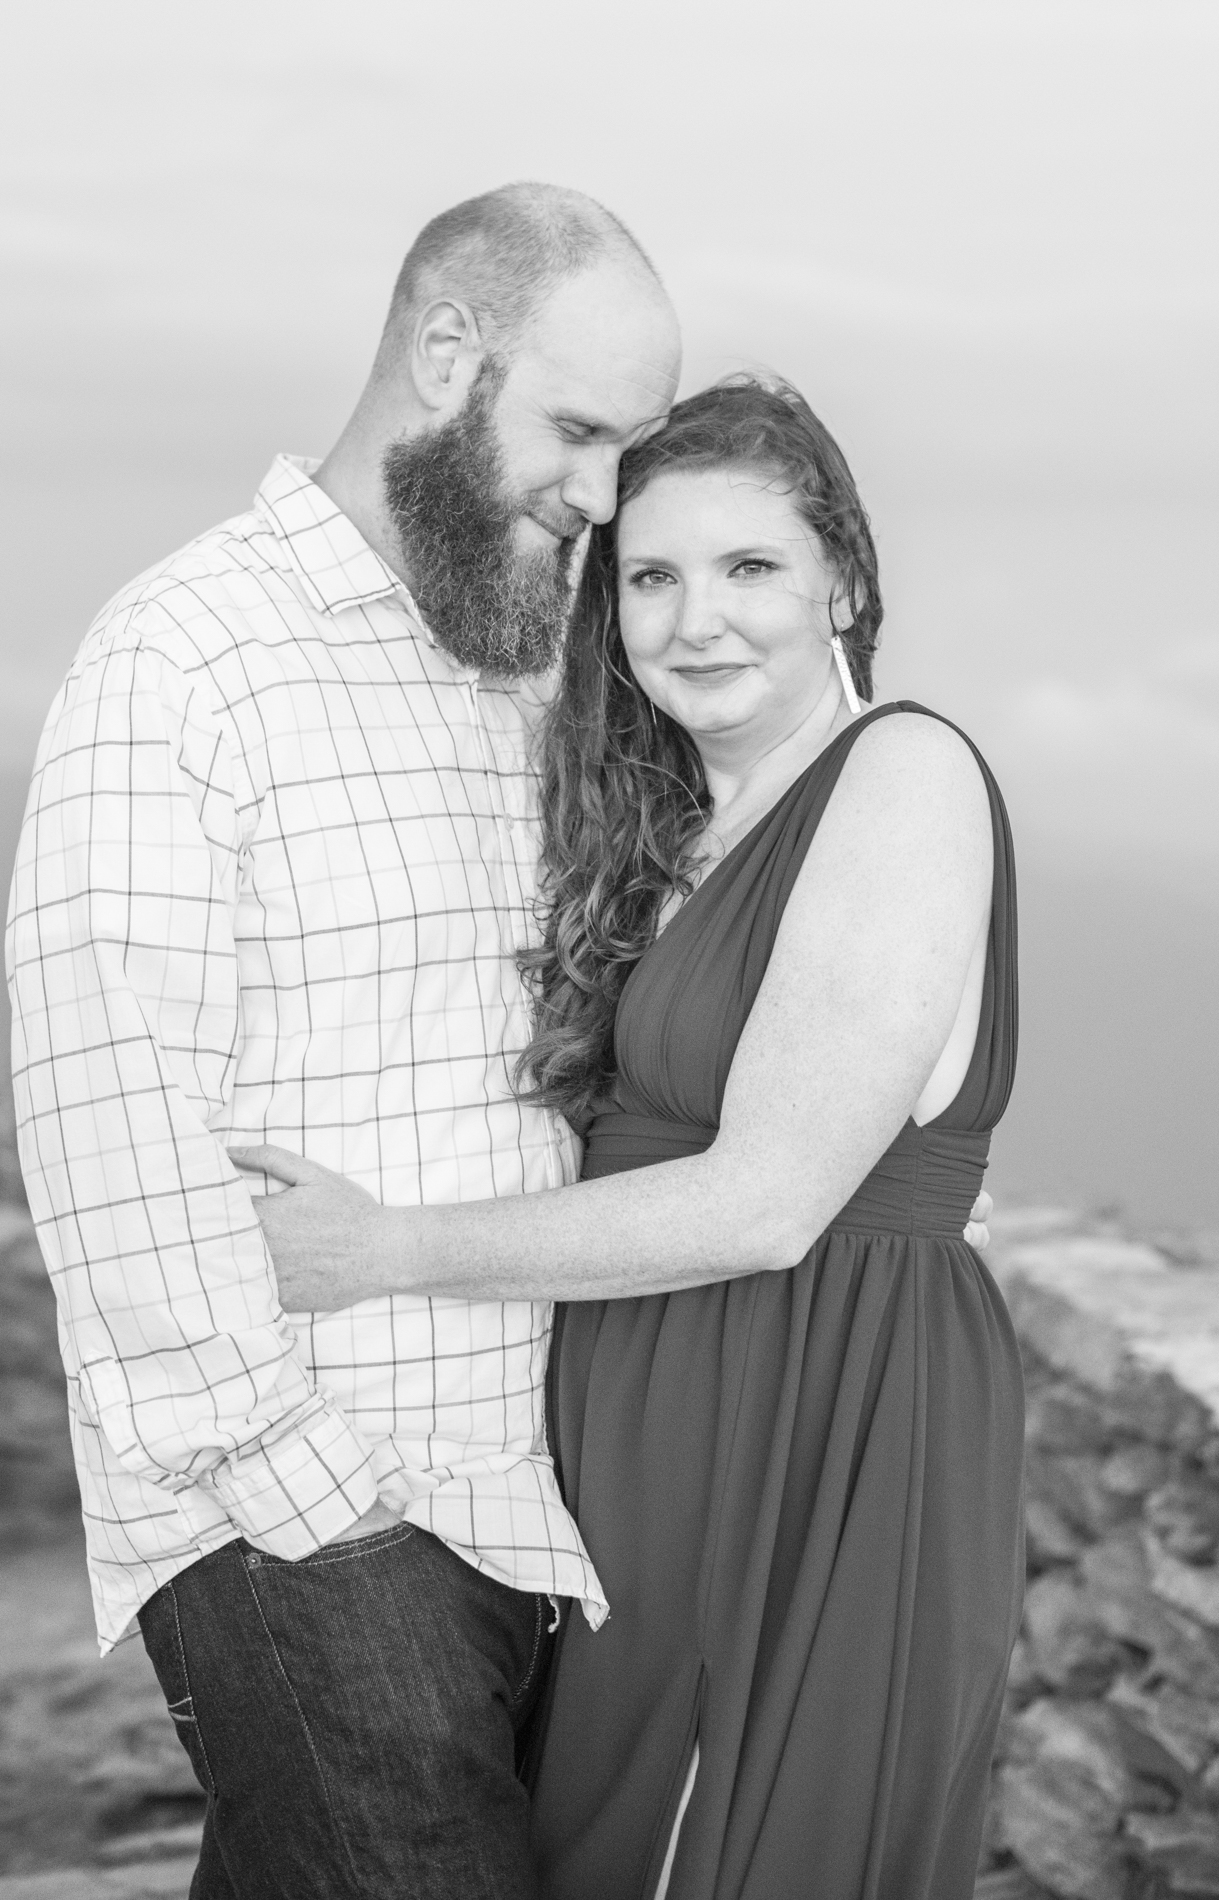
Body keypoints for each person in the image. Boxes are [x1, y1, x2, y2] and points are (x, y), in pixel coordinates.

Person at [237, 377, 1025, 1900]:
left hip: (809, 1411)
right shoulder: (675, 818)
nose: (695, 622)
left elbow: (764, 1208)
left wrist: (383, 1254)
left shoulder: (901, 777)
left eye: (751, 569)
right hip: (647, 1424)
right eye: (653, 576)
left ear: (844, 581)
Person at [6, 183, 682, 1899]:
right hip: (312, 1509)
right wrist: (310, 1495)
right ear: (446, 351)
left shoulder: (526, 667)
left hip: (525, 1498)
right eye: (581, 431)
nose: (604, 498)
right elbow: (109, 1131)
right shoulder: (183, 659)